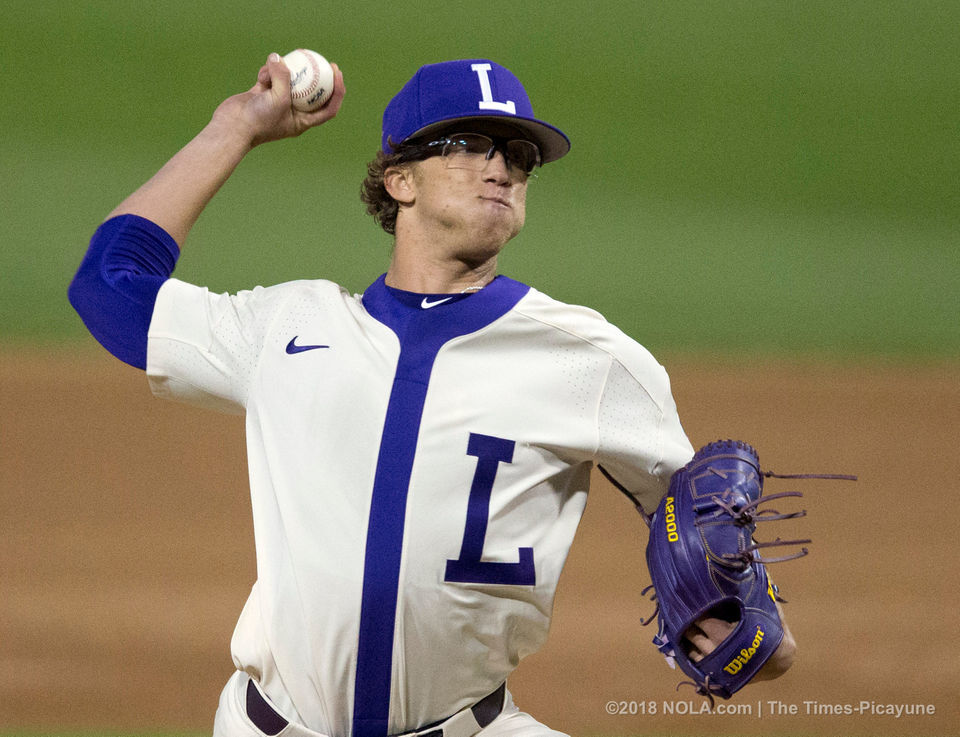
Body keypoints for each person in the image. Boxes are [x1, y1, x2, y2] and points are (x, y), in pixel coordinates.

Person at [69, 55, 794, 737]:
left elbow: (701, 522)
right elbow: (108, 286)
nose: (501, 167)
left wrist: (756, 626)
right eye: (471, 142)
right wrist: (237, 126)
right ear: (399, 180)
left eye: (519, 155)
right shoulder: (287, 327)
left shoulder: (590, 358)